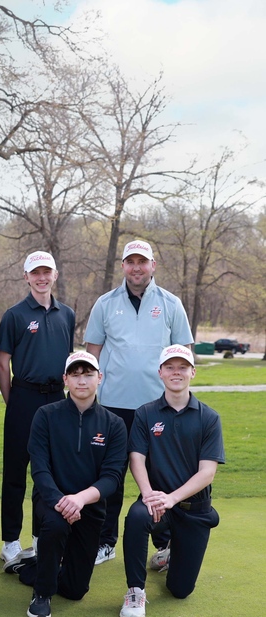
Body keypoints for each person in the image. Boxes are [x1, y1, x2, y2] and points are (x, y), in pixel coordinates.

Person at [84, 239, 193, 565]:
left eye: (142, 262)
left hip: (157, 407)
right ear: (123, 266)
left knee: (160, 476)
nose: (136, 268)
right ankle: (105, 542)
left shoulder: (170, 303)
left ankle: (164, 543)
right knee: (111, 476)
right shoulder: (105, 303)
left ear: (152, 265)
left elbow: (183, 355)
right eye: (130, 262)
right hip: (112, 408)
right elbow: (92, 355)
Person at [6, 351, 126, 617]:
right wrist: (61, 501)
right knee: (56, 525)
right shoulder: (46, 415)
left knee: (74, 590)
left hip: (90, 507)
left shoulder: (114, 424)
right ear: (65, 379)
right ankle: (42, 594)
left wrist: (79, 500)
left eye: (88, 374)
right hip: (51, 502)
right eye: (75, 375)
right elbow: (39, 468)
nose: (82, 381)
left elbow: (112, 478)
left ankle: (30, 567)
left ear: (100, 378)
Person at [119, 345, 224, 617]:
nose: (176, 372)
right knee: (136, 516)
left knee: (180, 590)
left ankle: (168, 555)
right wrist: (148, 494)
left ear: (193, 372)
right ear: (160, 373)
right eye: (170, 367)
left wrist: (172, 498)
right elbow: (136, 458)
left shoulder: (209, 418)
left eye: (182, 367)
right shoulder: (145, 413)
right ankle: (135, 591)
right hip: (156, 504)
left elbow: (207, 473)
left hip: (193, 508)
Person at [0, 251, 76, 569]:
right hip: (23, 397)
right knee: (16, 472)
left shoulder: (67, 314)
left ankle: (42, 537)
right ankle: (10, 541)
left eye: (47, 272)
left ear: (55, 275)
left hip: (57, 399)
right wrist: (13, 400)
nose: (41, 278)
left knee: (49, 472)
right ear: (26, 277)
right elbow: (2, 363)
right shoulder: (14, 315)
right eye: (35, 273)